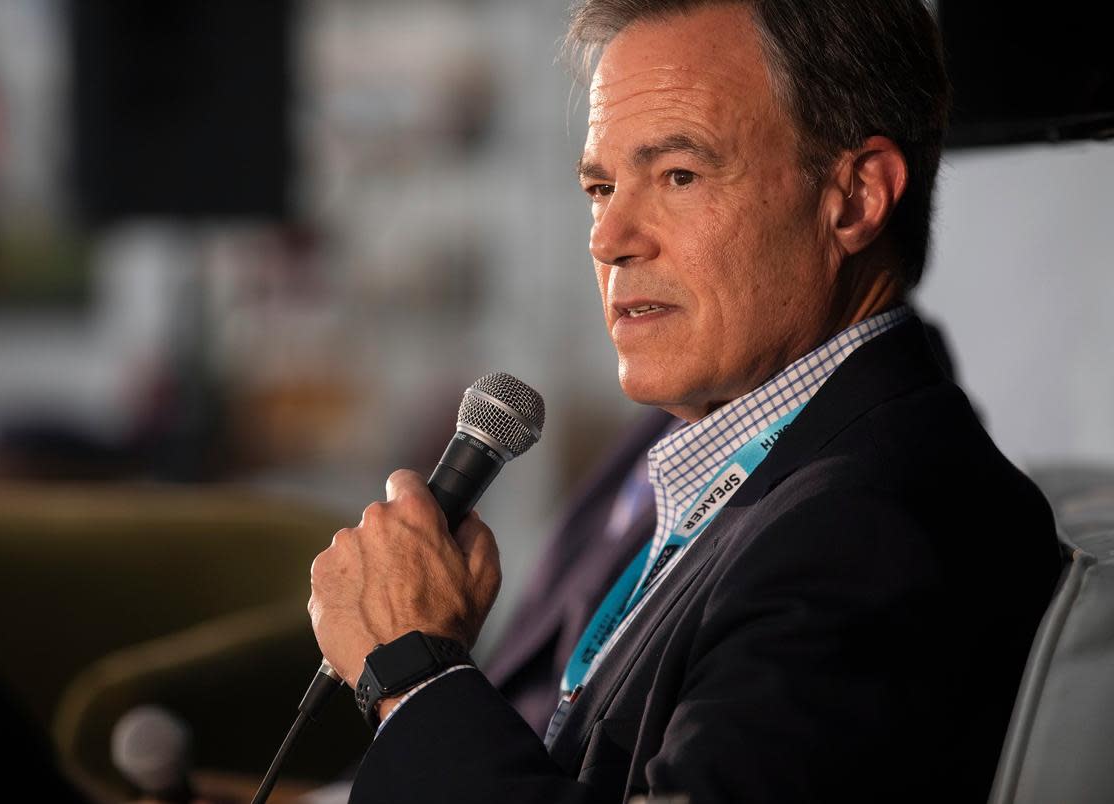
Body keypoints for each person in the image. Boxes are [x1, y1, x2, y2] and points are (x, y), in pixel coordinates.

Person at [306, 2, 1061, 802]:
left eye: (679, 175)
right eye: (600, 186)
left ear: (855, 197)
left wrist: (415, 675)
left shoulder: (874, 527)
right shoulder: (770, 461)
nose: (609, 237)